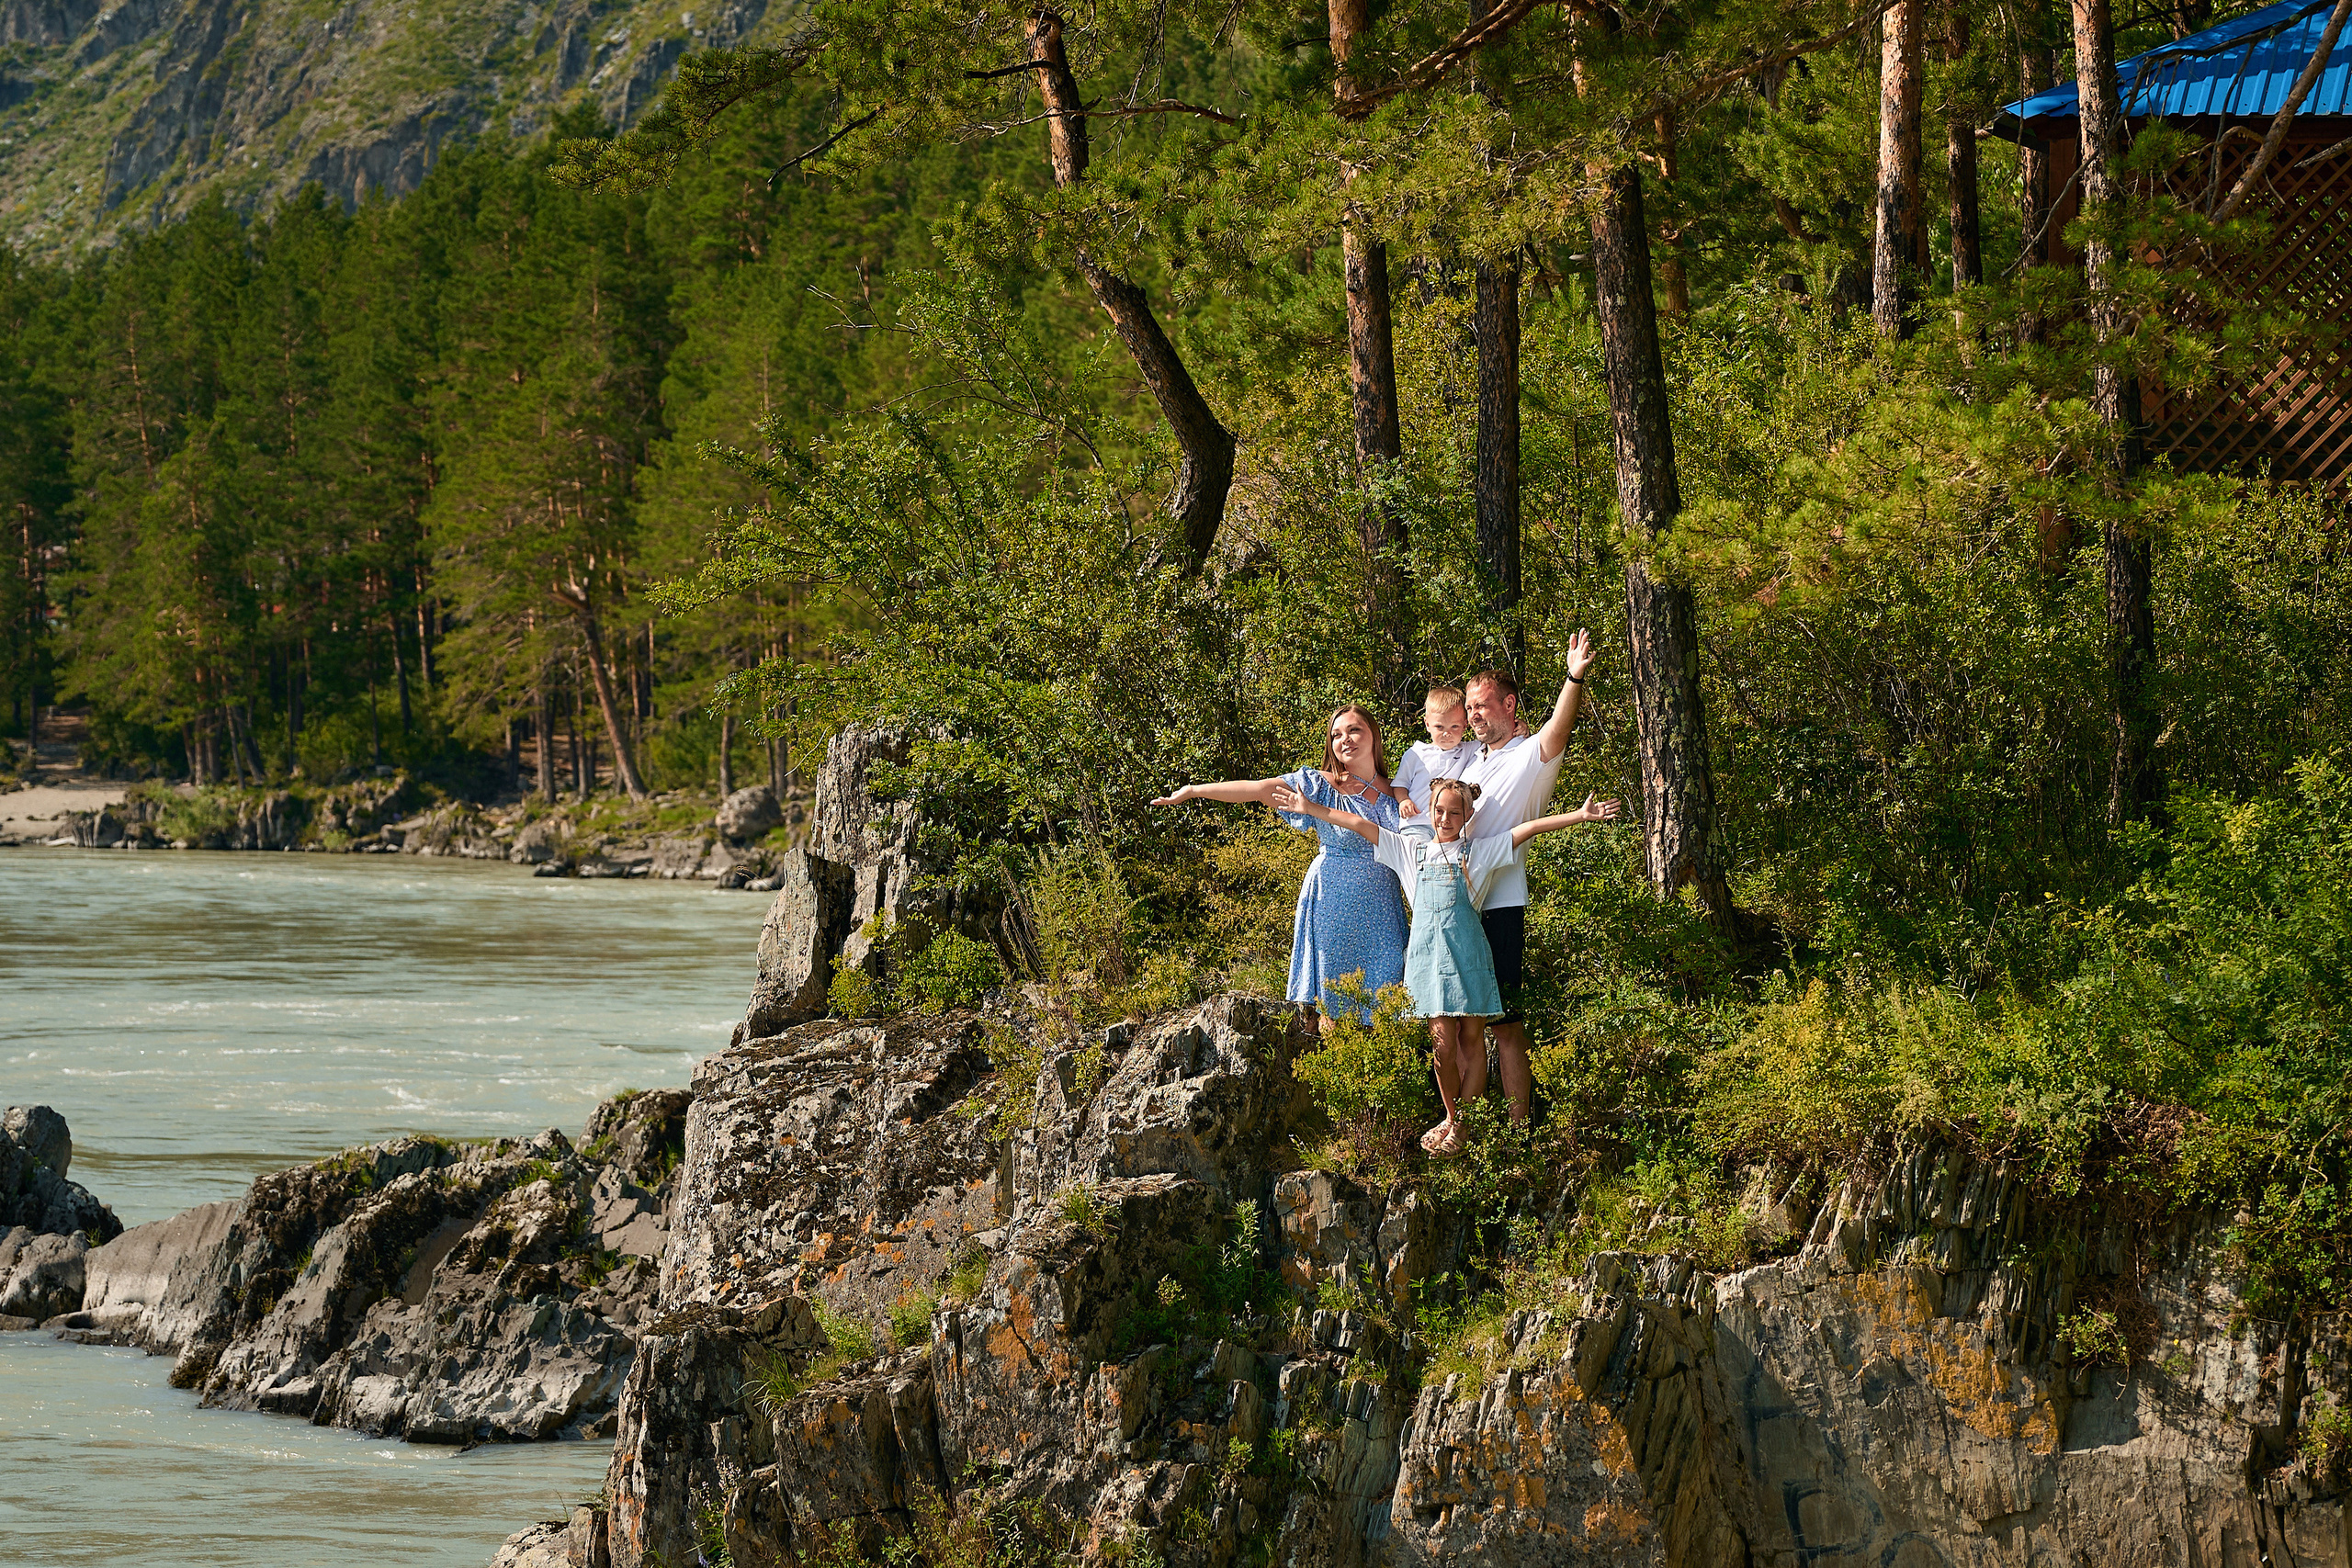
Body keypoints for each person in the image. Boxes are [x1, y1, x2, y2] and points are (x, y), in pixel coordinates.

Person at [1273, 775, 1618, 1155]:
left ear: (1468, 814)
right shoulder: (1411, 850)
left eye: (1455, 812)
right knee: (1442, 1047)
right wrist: (1309, 808)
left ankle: (1461, 1127)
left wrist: (1580, 816)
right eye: (1439, 810)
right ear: (1431, 810)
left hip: (1468, 962)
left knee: (1472, 1043)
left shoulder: (1478, 853)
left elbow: (1527, 829)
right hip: (1428, 966)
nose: (1446, 818)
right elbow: (1359, 824)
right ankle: (1453, 1116)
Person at [1151, 705, 1407, 1028]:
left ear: (1373, 735)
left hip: (1383, 907)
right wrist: (1193, 791)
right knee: (1335, 1000)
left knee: (1386, 1000)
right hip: (1333, 900)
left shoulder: (1398, 791)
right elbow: (1257, 789)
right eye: (1337, 734)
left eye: (1354, 730)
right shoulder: (1318, 785)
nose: (1345, 740)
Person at [1454, 630, 1600, 1124]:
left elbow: (1559, 730)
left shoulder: (1530, 756)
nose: (1473, 714)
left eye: (1482, 705)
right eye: (1469, 707)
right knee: (1460, 1019)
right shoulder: (1473, 758)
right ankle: (1463, 1126)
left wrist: (1572, 676)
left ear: (1509, 704)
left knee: (1505, 1023)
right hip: (1457, 903)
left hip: (1500, 904)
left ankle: (1520, 1131)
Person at [1392, 686, 1479, 823]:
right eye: (1439, 727)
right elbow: (1400, 784)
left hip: (1447, 825)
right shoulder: (1416, 753)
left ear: (1464, 725)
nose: (1447, 733)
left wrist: (1519, 725)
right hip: (1417, 821)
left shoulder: (1468, 749)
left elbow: (1496, 738)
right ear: (1427, 724)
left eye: (1454, 726)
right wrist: (1404, 800)